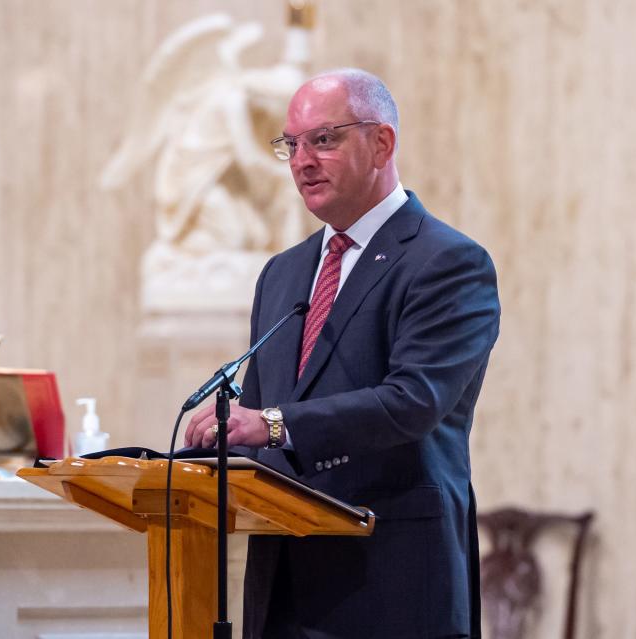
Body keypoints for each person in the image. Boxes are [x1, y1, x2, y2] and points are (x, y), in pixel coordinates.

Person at [185, 68, 500, 639]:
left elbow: (413, 402)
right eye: (291, 144)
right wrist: (210, 457)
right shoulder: (281, 275)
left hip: (390, 582)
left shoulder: (447, 263)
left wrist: (271, 425)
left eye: (323, 139)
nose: (302, 160)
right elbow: (258, 419)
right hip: (282, 591)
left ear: (382, 143)